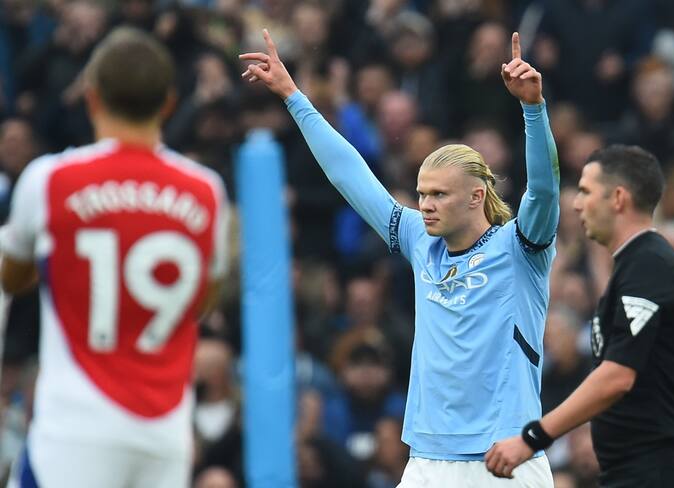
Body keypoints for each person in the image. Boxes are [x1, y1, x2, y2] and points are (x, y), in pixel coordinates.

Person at [241, 29, 559, 486]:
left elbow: (545, 189)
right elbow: (350, 174)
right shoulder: (418, 240)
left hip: (505, 454)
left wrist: (533, 109)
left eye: (438, 195)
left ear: (476, 196)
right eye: (421, 194)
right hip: (427, 458)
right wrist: (293, 96)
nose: (425, 204)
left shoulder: (522, 248)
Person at [0, 27, 229, 488]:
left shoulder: (50, 180)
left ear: (91, 98)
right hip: (164, 434)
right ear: (168, 103)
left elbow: (11, 273)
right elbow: (204, 299)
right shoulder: (206, 191)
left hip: (75, 430)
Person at [486, 145, 674, 487]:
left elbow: (617, 376)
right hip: (633, 474)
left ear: (618, 198)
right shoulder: (631, 267)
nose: (577, 204)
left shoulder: (650, 264)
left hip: (662, 474)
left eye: (585, 191)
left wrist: (533, 437)